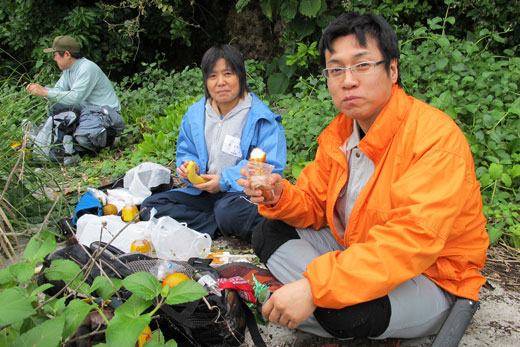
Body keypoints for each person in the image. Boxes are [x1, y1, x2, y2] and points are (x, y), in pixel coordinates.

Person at [238, 12, 489, 342]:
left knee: (342, 310)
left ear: (393, 69)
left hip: (433, 274)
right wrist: (277, 195)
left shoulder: (435, 139)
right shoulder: (341, 133)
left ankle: (305, 300)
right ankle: (311, 298)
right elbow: (313, 204)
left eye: (361, 65)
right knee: (268, 233)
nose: (348, 80)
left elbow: (411, 241)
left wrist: (315, 287)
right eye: (336, 70)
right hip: (360, 252)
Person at [140, 44, 287, 242]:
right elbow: (187, 151)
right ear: (206, 81)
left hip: (239, 195)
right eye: (212, 76)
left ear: (240, 76)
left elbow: (270, 167)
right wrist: (187, 168)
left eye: (227, 74)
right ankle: (219, 224)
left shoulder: (261, 118)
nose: (220, 82)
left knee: (231, 210)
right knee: (151, 206)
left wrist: (224, 181)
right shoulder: (195, 115)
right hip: (203, 195)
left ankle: (214, 222)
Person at [26, 35, 124, 156]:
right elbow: (58, 91)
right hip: (86, 112)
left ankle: (96, 145)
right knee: (54, 106)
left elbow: (75, 97)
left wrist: (44, 92)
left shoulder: (87, 68)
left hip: (104, 116)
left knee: (82, 138)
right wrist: (40, 90)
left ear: (67, 54)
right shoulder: (68, 70)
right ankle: (57, 143)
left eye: (55, 54)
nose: (54, 58)